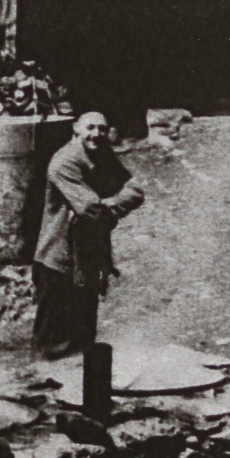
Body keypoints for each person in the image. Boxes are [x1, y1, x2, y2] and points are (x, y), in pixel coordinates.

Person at [33, 111, 145, 360]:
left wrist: (109, 203)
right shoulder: (65, 163)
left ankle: (76, 392)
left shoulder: (101, 154)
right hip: (60, 261)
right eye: (90, 128)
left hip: (88, 259)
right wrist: (113, 202)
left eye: (102, 129)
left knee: (83, 338)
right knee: (54, 342)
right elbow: (90, 209)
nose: (97, 134)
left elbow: (136, 190)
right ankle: (43, 389)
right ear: (76, 129)